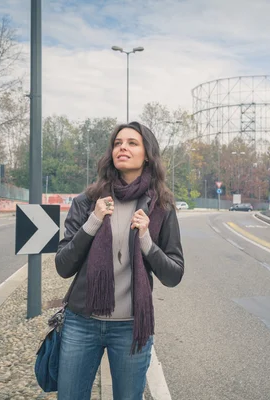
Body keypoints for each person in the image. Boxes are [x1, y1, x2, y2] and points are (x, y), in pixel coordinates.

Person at [54, 121, 184, 400]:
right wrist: (94, 221)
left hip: (131, 327)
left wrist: (147, 239)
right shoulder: (87, 202)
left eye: (132, 143)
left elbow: (174, 274)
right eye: (117, 143)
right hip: (81, 322)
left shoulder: (161, 207)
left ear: (147, 154)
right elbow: (63, 266)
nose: (122, 147)